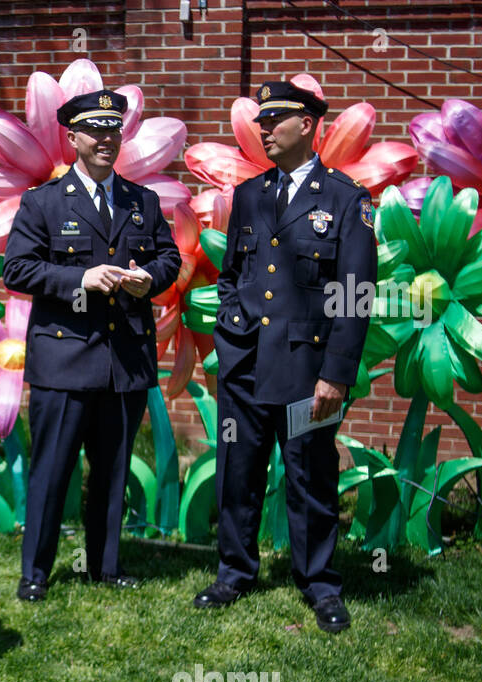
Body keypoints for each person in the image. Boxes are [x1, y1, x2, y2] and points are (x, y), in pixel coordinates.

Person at [193, 81, 376, 633]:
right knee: (237, 471)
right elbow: (232, 276)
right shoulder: (250, 195)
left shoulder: (347, 199)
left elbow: (356, 293)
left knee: (311, 477)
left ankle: (320, 585)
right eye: (261, 121)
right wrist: (229, 330)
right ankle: (234, 572)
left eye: (275, 120)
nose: (264, 129)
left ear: (309, 124)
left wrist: (336, 375)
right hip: (245, 365)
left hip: (306, 370)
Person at [3, 90, 180, 602]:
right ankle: (35, 571)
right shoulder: (44, 201)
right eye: (95, 130)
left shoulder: (141, 201)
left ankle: (104, 566)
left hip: (122, 362)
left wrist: (151, 278)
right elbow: (17, 268)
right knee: (53, 470)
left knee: (112, 469)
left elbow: (168, 257)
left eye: (114, 130)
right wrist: (82, 278)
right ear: (73, 137)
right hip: (65, 358)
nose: (107, 139)